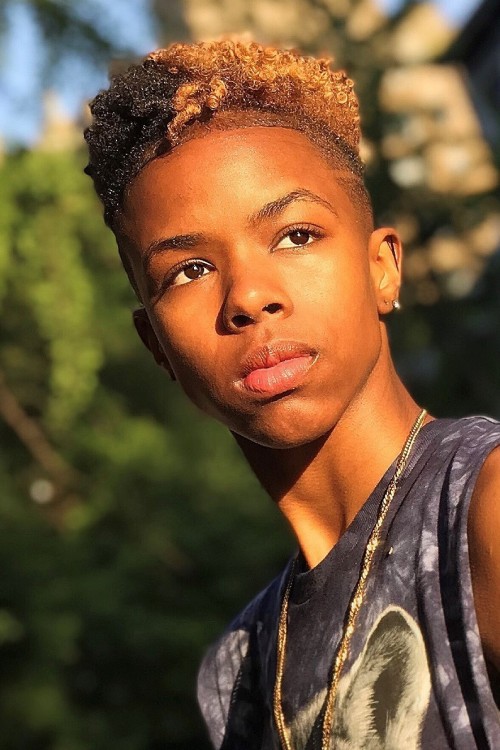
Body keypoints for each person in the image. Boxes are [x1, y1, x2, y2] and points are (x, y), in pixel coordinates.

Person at [84, 40, 500, 749]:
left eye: (296, 235)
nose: (248, 297)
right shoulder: (236, 674)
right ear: (156, 346)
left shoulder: (480, 509)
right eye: (189, 271)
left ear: (381, 270)